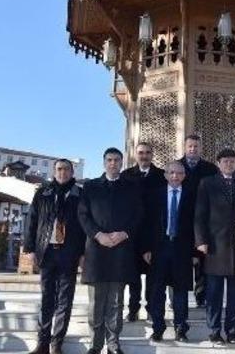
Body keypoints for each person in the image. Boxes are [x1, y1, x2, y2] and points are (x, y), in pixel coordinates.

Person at [79, 148, 143, 354]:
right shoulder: (90, 186)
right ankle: (95, 345)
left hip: (121, 250)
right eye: (109, 160)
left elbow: (139, 214)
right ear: (104, 162)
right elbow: (83, 215)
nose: (113, 163)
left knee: (116, 302)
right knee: (96, 302)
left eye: (117, 160)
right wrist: (98, 235)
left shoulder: (131, 187)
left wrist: (125, 233)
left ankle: (113, 344)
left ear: (122, 162)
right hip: (97, 251)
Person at [23, 159, 86, 354]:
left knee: (65, 300)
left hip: (69, 253)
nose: (63, 172)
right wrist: (30, 249)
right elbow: (31, 221)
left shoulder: (80, 194)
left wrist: (83, 253)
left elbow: (85, 226)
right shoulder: (43, 193)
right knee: (46, 298)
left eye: (66, 169)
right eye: (59, 169)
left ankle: (57, 343)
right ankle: (42, 342)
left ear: (72, 171)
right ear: (54, 171)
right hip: (47, 252)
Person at [194, 148, 235, 345]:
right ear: (218, 163)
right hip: (214, 246)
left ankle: (232, 331)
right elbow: (200, 215)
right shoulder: (207, 183)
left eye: (232, 161)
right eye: (225, 161)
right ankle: (214, 331)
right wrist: (201, 241)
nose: (229, 164)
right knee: (214, 293)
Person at [140, 160, 196, 342]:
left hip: (182, 250)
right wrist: (146, 247)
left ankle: (181, 328)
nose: (175, 176)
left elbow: (197, 225)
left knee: (180, 291)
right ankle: (158, 327)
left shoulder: (191, 195)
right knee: (157, 291)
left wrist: (195, 253)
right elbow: (146, 224)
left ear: (184, 176)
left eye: (179, 173)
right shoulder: (154, 195)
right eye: (171, 172)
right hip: (158, 249)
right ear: (165, 175)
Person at [120, 141, 165, 322]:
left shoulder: (161, 176)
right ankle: (133, 308)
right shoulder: (126, 176)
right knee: (133, 275)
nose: (144, 156)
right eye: (141, 152)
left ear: (152, 154)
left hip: (154, 233)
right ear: (135, 154)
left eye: (147, 152)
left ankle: (151, 308)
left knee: (153, 275)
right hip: (132, 234)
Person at [177, 134, 218, 307]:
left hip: (204, 222)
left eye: (196, 146)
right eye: (190, 146)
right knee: (182, 263)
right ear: (185, 147)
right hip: (182, 223)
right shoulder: (177, 167)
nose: (193, 149)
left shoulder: (210, 169)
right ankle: (180, 301)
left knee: (203, 262)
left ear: (200, 148)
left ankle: (202, 298)